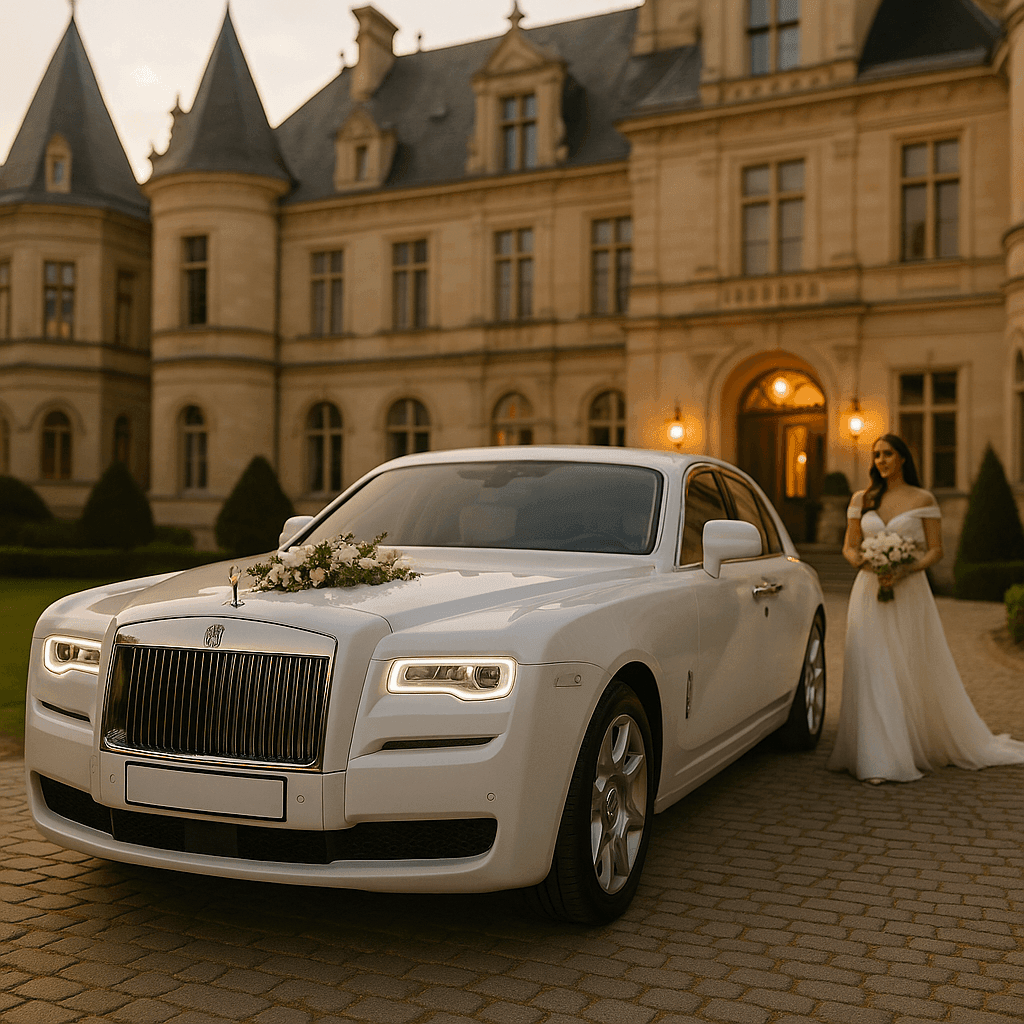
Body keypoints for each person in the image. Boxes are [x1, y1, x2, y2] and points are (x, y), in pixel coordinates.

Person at [827, 433, 1024, 783]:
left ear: (903, 457)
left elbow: (936, 550)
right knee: (872, 665)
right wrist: (865, 562)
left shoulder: (923, 498)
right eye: (876, 455)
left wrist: (905, 568)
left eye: (888, 454)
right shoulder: (862, 498)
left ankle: (909, 745)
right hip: (869, 590)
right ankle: (877, 756)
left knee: (909, 663)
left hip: (909, 592)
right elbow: (849, 545)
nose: (881, 461)